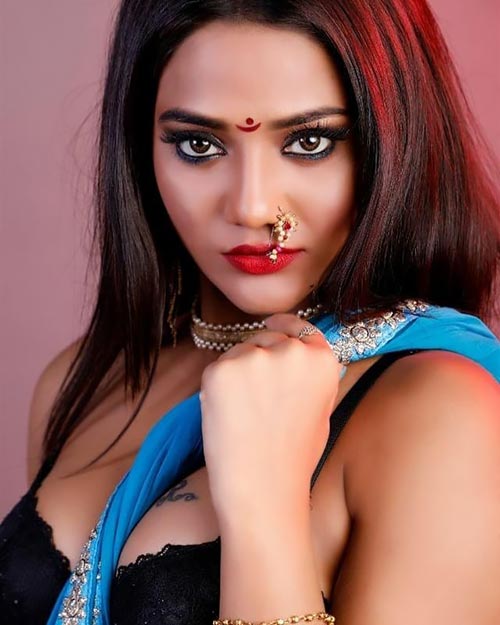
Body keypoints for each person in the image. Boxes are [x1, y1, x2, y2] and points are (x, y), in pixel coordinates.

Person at [1, 1, 499, 624]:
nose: (253, 207)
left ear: (393, 141)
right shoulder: (84, 383)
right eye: (199, 144)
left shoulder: (441, 413)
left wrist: (266, 501)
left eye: (310, 142)